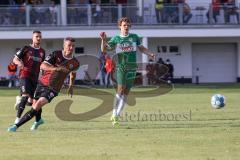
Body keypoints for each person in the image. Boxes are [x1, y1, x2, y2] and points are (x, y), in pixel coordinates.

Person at [8, 37, 80, 132]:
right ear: (64, 46)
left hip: (53, 89)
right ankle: (38, 120)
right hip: (42, 83)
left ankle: (16, 126)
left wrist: (71, 86)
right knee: (34, 104)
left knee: (38, 104)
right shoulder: (56, 54)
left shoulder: (75, 62)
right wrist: (55, 69)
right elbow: (42, 65)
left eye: (73, 46)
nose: (71, 48)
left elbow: (73, 74)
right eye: (69, 45)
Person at [100, 17, 155, 126]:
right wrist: (103, 40)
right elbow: (104, 49)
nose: (126, 27)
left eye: (128, 25)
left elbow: (142, 48)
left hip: (132, 68)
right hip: (121, 67)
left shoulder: (134, 37)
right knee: (120, 90)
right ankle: (114, 113)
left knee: (126, 93)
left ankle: (116, 115)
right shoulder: (116, 38)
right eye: (124, 25)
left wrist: (150, 53)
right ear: (120, 26)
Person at [12, 30, 46, 127]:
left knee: (34, 102)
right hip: (25, 75)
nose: (38, 38)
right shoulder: (26, 48)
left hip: (35, 79)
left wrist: (43, 76)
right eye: (36, 36)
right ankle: (17, 120)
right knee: (26, 96)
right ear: (32, 38)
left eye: (40, 36)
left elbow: (42, 66)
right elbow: (15, 59)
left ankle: (38, 120)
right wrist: (20, 63)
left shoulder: (42, 52)